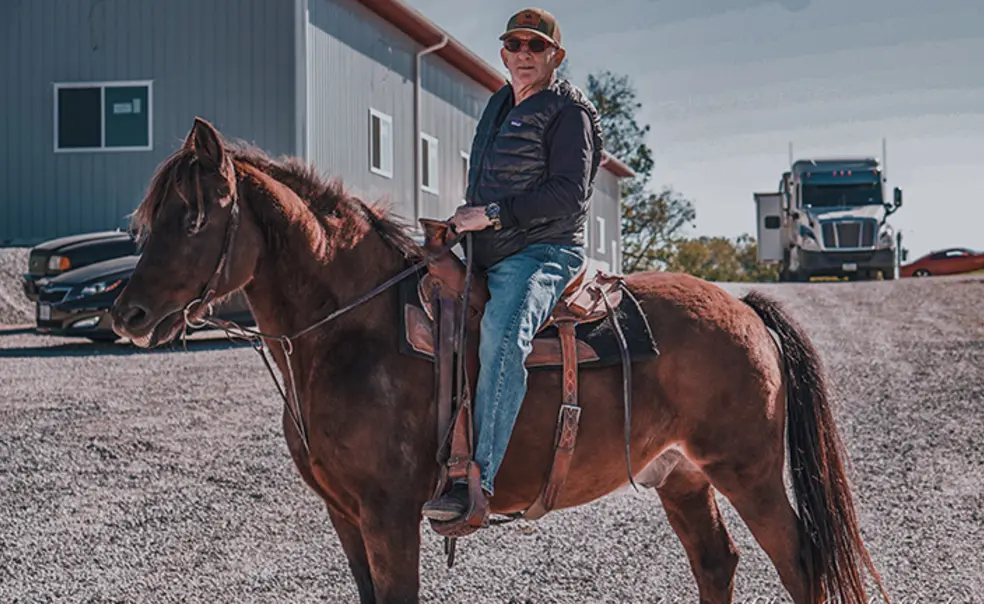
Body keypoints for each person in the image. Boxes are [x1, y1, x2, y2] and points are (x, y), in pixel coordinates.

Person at [421, 7, 604, 522]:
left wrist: (493, 215)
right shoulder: (500, 103)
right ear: (503, 54)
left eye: (536, 47)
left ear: (556, 57)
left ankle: (477, 481)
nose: (524, 54)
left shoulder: (572, 112)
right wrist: (462, 224)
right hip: (487, 248)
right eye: (515, 45)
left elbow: (569, 195)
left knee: (503, 334)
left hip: (543, 251)